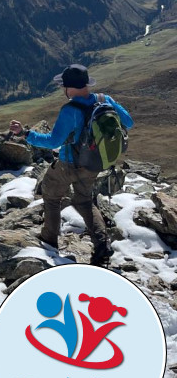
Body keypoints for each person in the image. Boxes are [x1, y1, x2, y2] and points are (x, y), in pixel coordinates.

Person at [9, 64, 133, 266]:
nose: (62, 90)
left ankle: (49, 241)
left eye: (63, 87)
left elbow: (53, 142)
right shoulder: (105, 100)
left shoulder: (70, 110)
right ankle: (102, 245)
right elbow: (128, 122)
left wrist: (25, 134)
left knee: (50, 196)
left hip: (68, 165)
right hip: (94, 164)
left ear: (69, 88)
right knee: (84, 201)